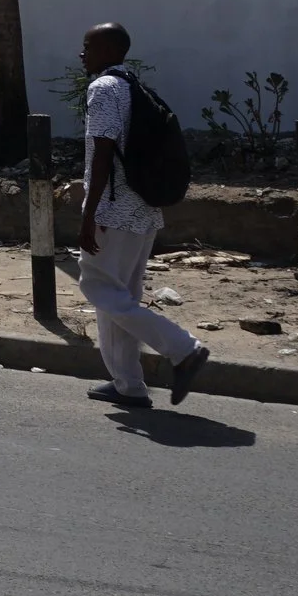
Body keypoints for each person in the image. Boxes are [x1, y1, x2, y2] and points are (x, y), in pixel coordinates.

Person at [76, 22, 211, 409]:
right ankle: (128, 385)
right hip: (144, 209)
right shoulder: (134, 86)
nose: (81, 53)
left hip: (113, 212)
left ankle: (184, 350)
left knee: (100, 289)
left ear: (108, 49)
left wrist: (89, 213)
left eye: (88, 46)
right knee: (121, 298)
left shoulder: (103, 88)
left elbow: (102, 152)